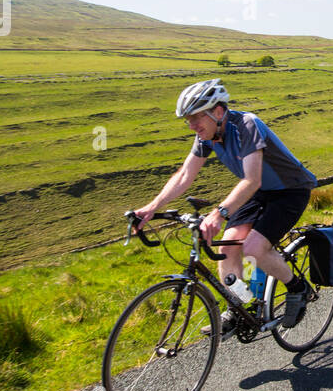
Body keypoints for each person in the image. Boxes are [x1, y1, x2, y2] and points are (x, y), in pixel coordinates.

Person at [133, 78, 316, 334]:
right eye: (187, 119)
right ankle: (241, 305)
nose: (192, 125)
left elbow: (251, 179)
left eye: (196, 117)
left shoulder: (247, 125)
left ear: (218, 112)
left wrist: (219, 214)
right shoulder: (207, 136)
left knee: (254, 248)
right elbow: (185, 175)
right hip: (259, 191)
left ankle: (299, 289)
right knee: (229, 245)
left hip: (290, 190)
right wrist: (152, 207)